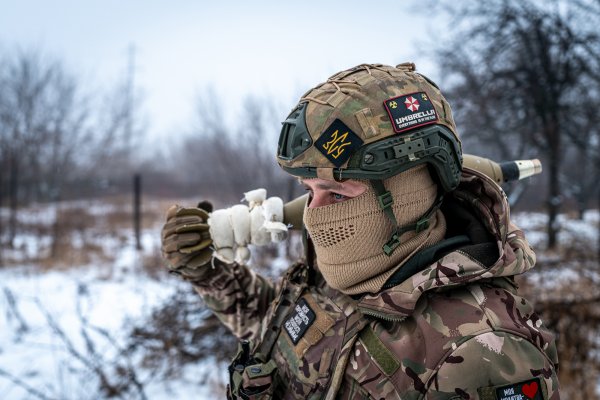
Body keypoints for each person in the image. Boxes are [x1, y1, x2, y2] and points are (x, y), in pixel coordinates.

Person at [161, 63, 560, 399]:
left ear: (410, 192)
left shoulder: (480, 354)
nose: (314, 216)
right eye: (308, 192)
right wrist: (206, 271)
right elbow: (289, 330)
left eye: (335, 194)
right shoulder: (353, 262)